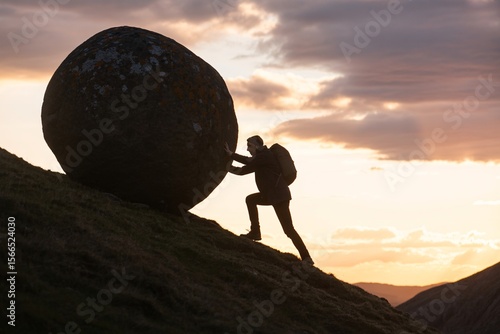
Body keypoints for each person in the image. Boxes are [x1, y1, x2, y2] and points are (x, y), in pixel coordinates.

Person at [224, 135, 314, 264]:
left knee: (288, 230)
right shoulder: (259, 160)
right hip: (271, 195)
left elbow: (248, 162)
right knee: (250, 200)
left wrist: (231, 155)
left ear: (257, 146)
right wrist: (225, 168)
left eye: (249, 146)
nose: (248, 149)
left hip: (279, 196)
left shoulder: (265, 156)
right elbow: (242, 171)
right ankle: (255, 232)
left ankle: (307, 258)